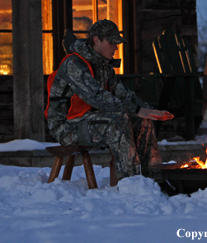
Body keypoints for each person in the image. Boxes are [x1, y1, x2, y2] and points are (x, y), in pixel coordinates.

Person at [45, 19, 173, 180]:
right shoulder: (74, 65)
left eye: (117, 43)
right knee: (119, 120)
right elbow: (97, 97)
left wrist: (149, 111)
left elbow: (123, 95)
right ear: (96, 40)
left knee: (143, 121)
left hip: (91, 120)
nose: (116, 47)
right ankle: (129, 182)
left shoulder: (104, 67)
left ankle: (153, 178)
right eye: (112, 42)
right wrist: (138, 110)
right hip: (67, 127)